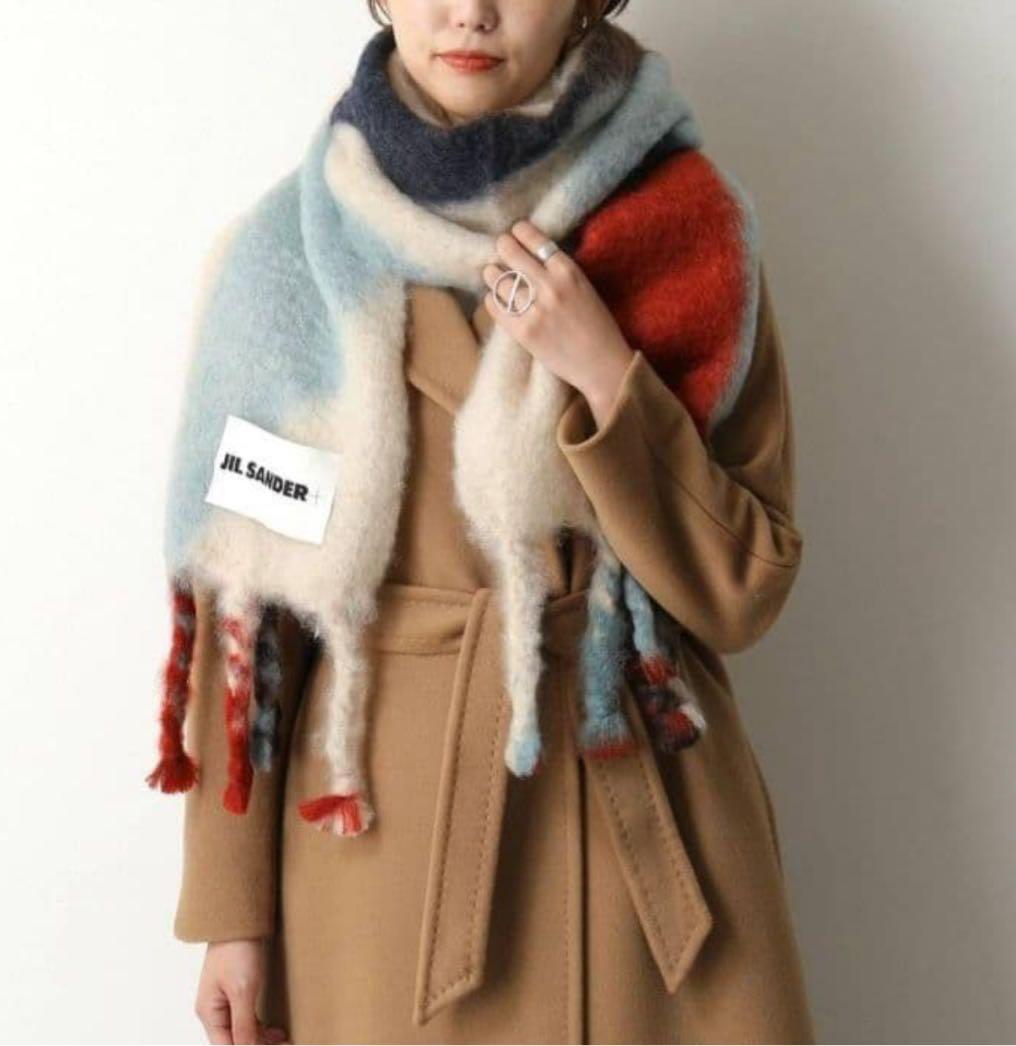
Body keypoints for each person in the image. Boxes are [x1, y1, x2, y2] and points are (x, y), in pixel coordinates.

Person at [147, 1, 817, 1042]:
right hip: (383, 873)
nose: (470, 11)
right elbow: (250, 619)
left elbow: (745, 589)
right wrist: (231, 913)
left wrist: (605, 373)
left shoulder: (693, 232)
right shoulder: (285, 264)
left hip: (652, 880)